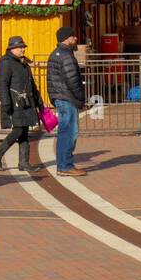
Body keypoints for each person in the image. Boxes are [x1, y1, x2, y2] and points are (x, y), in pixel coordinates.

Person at [0, 36, 43, 172]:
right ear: (12, 49)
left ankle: (24, 162)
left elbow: (31, 83)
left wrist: (39, 101)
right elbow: (2, 84)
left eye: (23, 47)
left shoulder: (23, 62)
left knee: (24, 131)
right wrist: (6, 103)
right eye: (20, 47)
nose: (23, 49)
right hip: (15, 103)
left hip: (26, 102)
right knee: (19, 130)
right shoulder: (6, 62)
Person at [46, 26, 87, 176]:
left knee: (64, 132)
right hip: (67, 98)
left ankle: (64, 165)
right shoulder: (66, 56)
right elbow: (73, 80)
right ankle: (65, 166)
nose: (75, 38)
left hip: (60, 97)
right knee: (70, 132)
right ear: (67, 38)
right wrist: (81, 98)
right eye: (73, 36)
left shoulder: (55, 54)